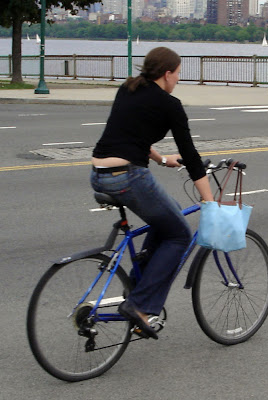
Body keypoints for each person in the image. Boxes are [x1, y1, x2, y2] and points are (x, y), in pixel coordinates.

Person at [90, 47, 214, 340]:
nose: (179, 80)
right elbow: (191, 155)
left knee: (167, 215)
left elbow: (128, 133)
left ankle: (137, 288)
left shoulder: (128, 89)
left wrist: (160, 159)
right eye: (179, 73)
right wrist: (208, 200)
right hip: (127, 176)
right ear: (167, 73)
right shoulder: (169, 104)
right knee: (180, 234)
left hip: (98, 174)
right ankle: (141, 305)